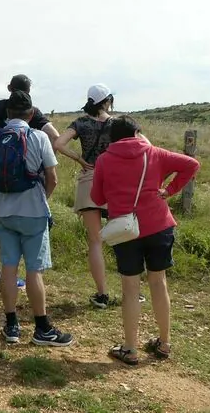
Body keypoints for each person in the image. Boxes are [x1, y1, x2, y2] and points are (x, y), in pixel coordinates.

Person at [91, 116, 199, 365]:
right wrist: (169, 191)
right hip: (159, 225)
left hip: (126, 231)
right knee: (158, 282)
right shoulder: (154, 153)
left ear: (112, 138)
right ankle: (164, 343)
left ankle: (130, 349)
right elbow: (191, 164)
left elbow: (97, 199)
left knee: (130, 288)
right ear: (138, 132)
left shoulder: (104, 160)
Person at [0, 90, 74, 347]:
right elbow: (53, 178)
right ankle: (42, 328)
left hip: (1, 211)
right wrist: (42, 199)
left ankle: (11, 325)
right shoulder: (38, 137)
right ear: (32, 113)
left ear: (7, 113)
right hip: (33, 211)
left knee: (9, 268)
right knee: (34, 271)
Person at [0, 75, 60, 287]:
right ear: (30, 89)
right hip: (28, 182)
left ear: (9, 88)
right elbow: (56, 137)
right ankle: (25, 277)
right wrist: (45, 167)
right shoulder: (31, 111)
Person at [53, 83, 115, 308]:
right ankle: (132, 288)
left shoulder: (80, 123)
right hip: (114, 182)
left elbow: (59, 143)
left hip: (89, 180)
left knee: (95, 241)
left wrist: (79, 159)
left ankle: (102, 294)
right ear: (108, 100)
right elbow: (144, 144)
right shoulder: (118, 124)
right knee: (124, 236)